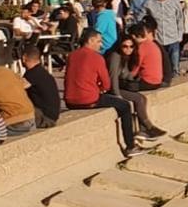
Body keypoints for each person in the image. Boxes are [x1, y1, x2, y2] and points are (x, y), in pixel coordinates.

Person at [63, 28, 152, 157]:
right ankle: (130, 146)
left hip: (70, 100)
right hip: (88, 100)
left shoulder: (72, 55)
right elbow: (107, 84)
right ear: (91, 40)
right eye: (99, 41)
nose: (101, 45)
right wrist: (100, 89)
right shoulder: (96, 57)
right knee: (125, 106)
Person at [148, 0, 188, 85]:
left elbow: (180, 18)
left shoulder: (174, 2)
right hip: (158, 38)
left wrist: (180, 34)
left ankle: (176, 84)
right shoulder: (149, 2)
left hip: (173, 37)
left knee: (174, 65)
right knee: (161, 64)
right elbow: (141, 18)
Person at [18, 46, 60, 128]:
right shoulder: (42, 72)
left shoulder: (31, 74)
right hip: (52, 115)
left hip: (44, 117)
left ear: (24, 58)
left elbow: (17, 89)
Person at [126, 24, 164, 91]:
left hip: (147, 81)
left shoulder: (141, 47)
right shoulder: (152, 44)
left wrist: (127, 76)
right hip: (157, 80)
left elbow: (136, 66)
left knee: (126, 85)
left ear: (133, 36)